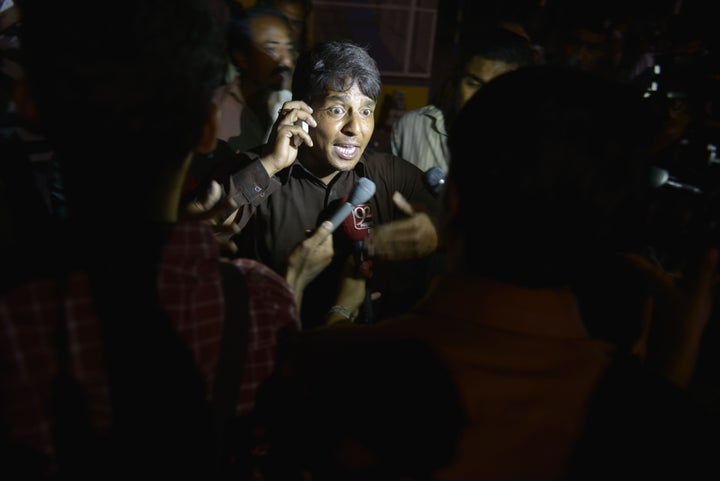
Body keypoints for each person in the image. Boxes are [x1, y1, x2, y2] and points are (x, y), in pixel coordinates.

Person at [257, 65, 720, 480]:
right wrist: (674, 371)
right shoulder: (654, 423)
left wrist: (295, 287)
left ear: (452, 200)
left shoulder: (331, 368)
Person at [0, 0, 335, 478]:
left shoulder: (17, 317)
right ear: (206, 128)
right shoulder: (262, 303)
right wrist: (299, 285)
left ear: (30, 105)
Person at [194, 40, 441, 328]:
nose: (355, 129)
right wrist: (270, 164)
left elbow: (462, 226)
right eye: (337, 110)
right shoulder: (251, 168)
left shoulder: (391, 174)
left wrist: (436, 231)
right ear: (301, 110)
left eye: (365, 111)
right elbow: (194, 240)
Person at [390, 26, 535, 176]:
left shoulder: (537, 147)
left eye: (500, 89)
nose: (483, 99)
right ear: (456, 80)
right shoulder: (413, 127)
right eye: (473, 84)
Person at [214, 4, 297, 154]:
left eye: (289, 49)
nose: (285, 60)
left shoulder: (294, 107)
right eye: (271, 49)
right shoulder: (215, 108)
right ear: (242, 57)